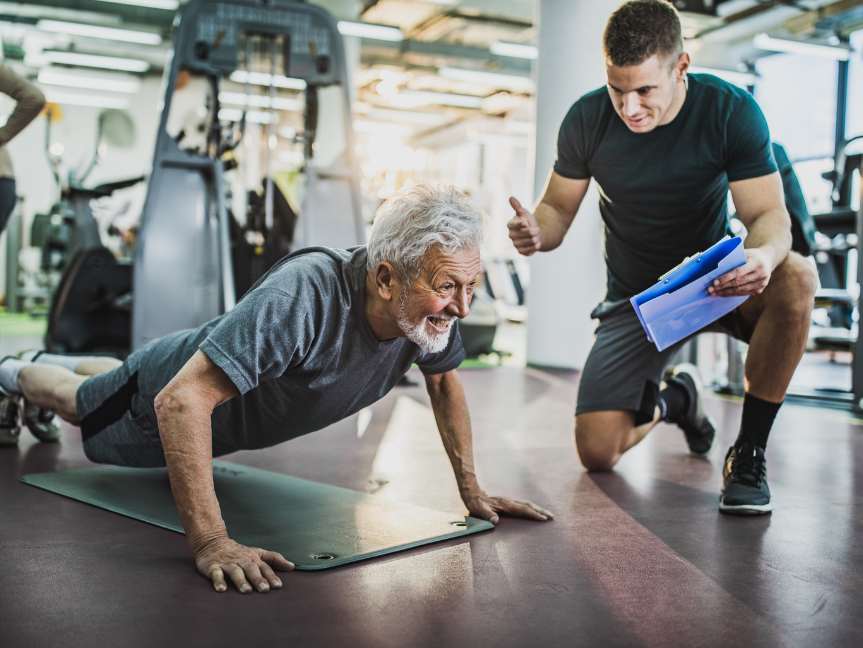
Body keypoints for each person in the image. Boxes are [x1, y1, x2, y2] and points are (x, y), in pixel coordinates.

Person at [0, 184, 553, 593]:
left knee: (114, 377)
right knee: (77, 403)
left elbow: (445, 384)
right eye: (448, 286)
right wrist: (212, 542)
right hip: (162, 389)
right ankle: (12, 370)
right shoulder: (304, 298)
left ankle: (50, 362)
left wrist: (472, 491)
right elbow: (180, 400)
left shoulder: (423, 317)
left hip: (177, 369)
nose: (462, 307)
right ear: (386, 279)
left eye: (472, 285)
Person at [507, 0, 817, 515]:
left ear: (681, 67)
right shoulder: (587, 119)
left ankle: (749, 452)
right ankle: (679, 400)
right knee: (597, 451)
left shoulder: (730, 111)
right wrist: (537, 232)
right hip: (638, 299)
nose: (629, 107)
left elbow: (769, 215)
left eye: (645, 90)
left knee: (798, 277)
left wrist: (763, 255)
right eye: (617, 89)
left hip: (717, 283)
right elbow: (557, 209)